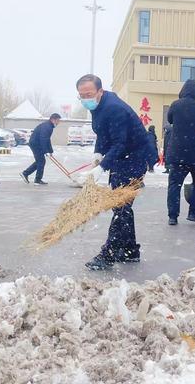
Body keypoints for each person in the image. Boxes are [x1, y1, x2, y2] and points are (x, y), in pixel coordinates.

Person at [75, 74, 153, 270]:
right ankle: (130, 250)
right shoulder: (99, 107)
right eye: (81, 95)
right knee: (122, 206)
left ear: (100, 91)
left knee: (120, 206)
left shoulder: (114, 108)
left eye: (89, 94)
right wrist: (98, 155)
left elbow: (120, 143)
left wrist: (102, 168)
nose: (85, 99)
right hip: (122, 158)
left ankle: (108, 254)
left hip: (134, 158)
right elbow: (103, 133)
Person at [166, 79, 195, 226]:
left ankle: (173, 216)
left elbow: (170, 120)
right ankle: (194, 212)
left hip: (177, 152)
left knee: (174, 184)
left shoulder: (175, 105)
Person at [20, 113, 61, 185]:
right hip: (35, 144)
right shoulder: (47, 127)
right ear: (53, 119)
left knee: (39, 161)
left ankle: (26, 174)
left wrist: (50, 151)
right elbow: (43, 139)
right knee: (41, 161)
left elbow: (47, 140)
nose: (58, 122)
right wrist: (46, 151)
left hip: (36, 143)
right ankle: (36, 179)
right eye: (57, 120)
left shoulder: (49, 126)